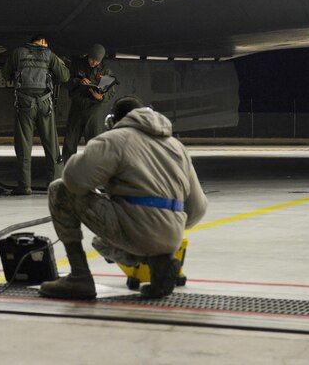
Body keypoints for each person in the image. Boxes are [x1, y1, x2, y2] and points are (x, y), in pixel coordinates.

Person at [39, 95, 208, 300]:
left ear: (113, 121)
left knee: (59, 190)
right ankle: (159, 263)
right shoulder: (176, 146)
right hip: (172, 238)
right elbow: (198, 208)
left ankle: (79, 277)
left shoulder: (116, 139)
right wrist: (164, 224)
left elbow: (73, 180)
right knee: (101, 243)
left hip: (136, 231)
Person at [2, 35, 70, 195]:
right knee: (51, 145)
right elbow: (65, 76)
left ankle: (24, 186)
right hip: (45, 103)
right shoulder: (49, 55)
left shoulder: (18, 53)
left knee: (24, 145)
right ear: (43, 42)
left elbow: (5, 74)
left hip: (24, 103)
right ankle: (54, 185)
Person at [62, 43, 116, 161]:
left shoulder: (105, 70)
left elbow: (111, 91)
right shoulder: (77, 65)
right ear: (88, 56)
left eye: (97, 61)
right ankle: (68, 171)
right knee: (70, 143)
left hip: (94, 110)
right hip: (77, 108)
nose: (94, 63)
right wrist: (78, 81)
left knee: (95, 145)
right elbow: (65, 81)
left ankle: (94, 173)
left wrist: (101, 97)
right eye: (92, 60)